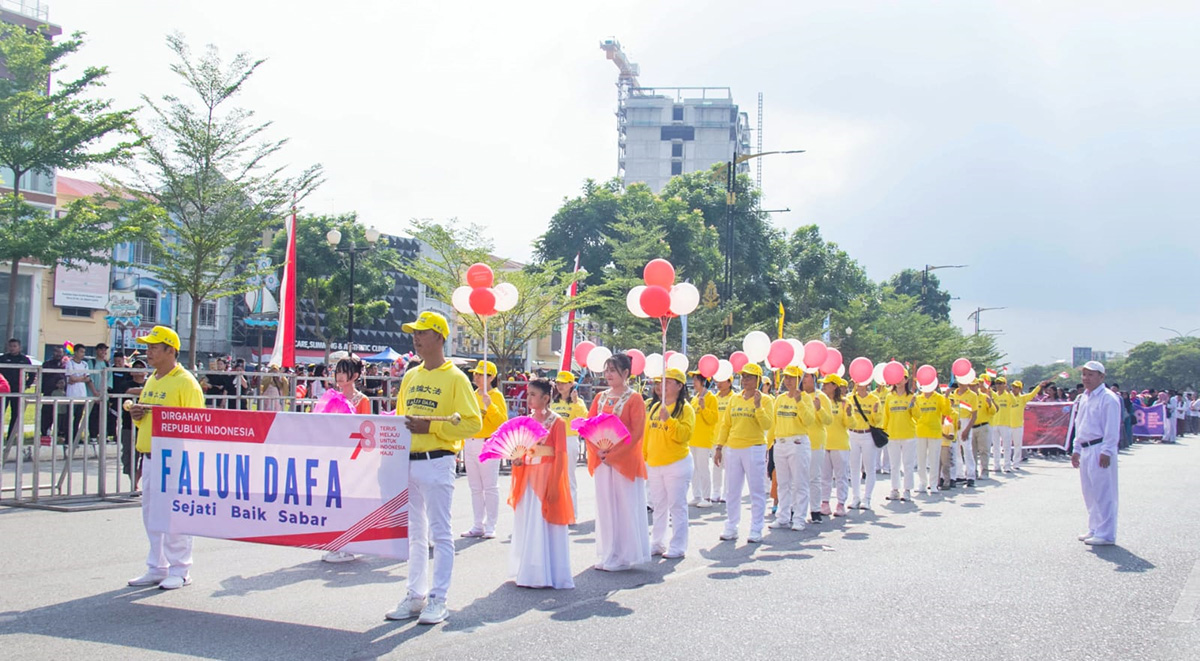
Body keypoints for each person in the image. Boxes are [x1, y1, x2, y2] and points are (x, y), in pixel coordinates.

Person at [386, 311, 483, 624]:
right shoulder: (411, 376)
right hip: (409, 464)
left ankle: (438, 599)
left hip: (438, 461)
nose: (416, 337)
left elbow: (472, 423)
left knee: (440, 533)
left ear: (440, 336)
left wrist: (434, 429)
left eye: (423, 332)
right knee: (414, 535)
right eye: (414, 332)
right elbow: (402, 420)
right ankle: (415, 595)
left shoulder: (456, 377)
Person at [126, 326, 206, 590]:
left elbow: (197, 423)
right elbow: (149, 420)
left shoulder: (185, 382)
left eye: (153, 347)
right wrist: (138, 417)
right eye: (148, 347)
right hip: (150, 456)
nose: (148, 352)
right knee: (152, 515)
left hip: (175, 458)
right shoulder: (153, 379)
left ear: (170, 350)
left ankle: (180, 569)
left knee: (175, 516)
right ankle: (157, 566)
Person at [585, 352, 651, 571]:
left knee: (625, 506)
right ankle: (607, 552)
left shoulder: (634, 399)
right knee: (605, 507)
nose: (608, 374)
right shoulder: (600, 397)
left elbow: (636, 432)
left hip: (624, 461)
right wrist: (599, 451)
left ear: (625, 373)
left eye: (613, 370)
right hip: (602, 459)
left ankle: (624, 555)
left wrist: (614, 455)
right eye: (607, 370)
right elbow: (589, 427)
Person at [508, 378, 575, 588]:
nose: (528, 398)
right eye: (528, 394)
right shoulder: (524, 421)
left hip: (546, 474)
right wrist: (518, 460)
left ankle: (546, 571)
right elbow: (520, 448)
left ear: (546, 398)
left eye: (533, 395)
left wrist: (555, 484)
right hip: (528, 475)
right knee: (528, 519)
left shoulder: (557, 423)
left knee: (543, 520)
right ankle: (528, 568)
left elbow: (561, 456)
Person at [322, 356, 375, 563]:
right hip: (333, 454)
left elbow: (365, 430)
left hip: (353, 456)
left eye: (343, 371)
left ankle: (350, 545)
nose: (339, 376)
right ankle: (336, 543)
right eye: (337, 372)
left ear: (354, 375)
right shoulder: (331, 397)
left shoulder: (362, 400)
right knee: (333, 501)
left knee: (349, 501)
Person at [714, 363, 774, 542]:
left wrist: (757, 406)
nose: (745, 380)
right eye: (743, 376)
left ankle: (756, 528)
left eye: (749, 377)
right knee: (732, 490)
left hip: (754, 448)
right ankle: (731, 526)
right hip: (733, 448)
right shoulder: (735, 399)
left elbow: (767, 425)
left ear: (758, 380)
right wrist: (719, 447)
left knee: (756, 490)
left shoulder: (765, 400)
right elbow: (726, 424)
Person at [1069, 361, 1121, 546]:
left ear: (1101, 377)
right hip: (1086, 447)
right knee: (1089, 491)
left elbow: (1112, 428)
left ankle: (1106, 533)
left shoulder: (1108, 398)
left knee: (1104, 492)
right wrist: (1076, 449)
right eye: (1084, 374)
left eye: (1091, 375)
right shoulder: (1084, 396)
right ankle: (1095, 527)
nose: (1086, 378)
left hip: (1100, 448)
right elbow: (1079, 423)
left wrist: (1107, 451)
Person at [644, 368, 695, 558]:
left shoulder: (685, 409)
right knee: (659, 506)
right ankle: (657, 542)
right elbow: (647, 435)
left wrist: (670, 421)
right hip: (655, 463)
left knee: (677, 506)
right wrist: (644, 457)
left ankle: (678, 546)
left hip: (677, 464)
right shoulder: (655, 407)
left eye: (667, 382)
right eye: (659, 382)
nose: (661, 386)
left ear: (679, 386)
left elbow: (684, 435)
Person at [462, 360, 508, 540]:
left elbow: (501, 422)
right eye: (476, 373)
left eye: (482, 374)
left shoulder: (496, 396)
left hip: (489, 443)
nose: (477, 377)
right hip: (471, 441)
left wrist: (490, 406)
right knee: (475, 487)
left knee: (490, 486)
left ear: (492, 377)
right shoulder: (471, 394)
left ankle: (491, 525)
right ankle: (477, 524)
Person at [767, 366, 817, 531]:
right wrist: (768, 446)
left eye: (792, 378)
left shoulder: (805, 398)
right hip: (780, 443)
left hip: (798, 443)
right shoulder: (780, 399)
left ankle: (799, 518)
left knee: (799, 482)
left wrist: (799, 402)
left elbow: (809, 421)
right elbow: (774, 423)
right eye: (786, 377)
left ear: (799, 380)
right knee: (783, 483)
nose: (788, 381)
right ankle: (783, 516)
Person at [549, 371, 588, 519]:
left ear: (571, 384)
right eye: (558, 383)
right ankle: (556, 511)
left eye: (564, 383)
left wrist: (576, 402)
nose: (560, 386)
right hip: (554, 441)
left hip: (570, 440)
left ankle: (571, 513)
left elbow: (583, 419)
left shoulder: (578, 402)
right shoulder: (554, 402)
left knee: (568, 477)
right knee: (554, 477)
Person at [846, 377, 883, 510]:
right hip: (853, 434)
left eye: (863, 382)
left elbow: (878, 420)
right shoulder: (850, 398)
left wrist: (874, 411)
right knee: (854, 468)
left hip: (867, 435)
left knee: (869, 468)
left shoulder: (874, 399)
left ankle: (867, 498)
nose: (860, 384)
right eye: (857, 382)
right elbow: (846, 418)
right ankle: (856, 497)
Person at [803, 371, 834, 523]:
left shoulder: (821, 397)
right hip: (799, 442)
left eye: (807, 376)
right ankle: (796, 511)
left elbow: (828, 420)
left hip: (816, 442)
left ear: (814, 379)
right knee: (798, 479)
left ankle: (815, 510)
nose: (804, 379)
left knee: (814, 477)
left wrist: (819, 409)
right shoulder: (799, 395)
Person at [820, 375, 851, 516]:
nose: (824, 386)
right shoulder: (821, 401)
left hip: (840, 444)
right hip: (824, 443)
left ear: (835, 386)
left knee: (841, 476)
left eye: (827, 384)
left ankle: (841, 503)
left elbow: (851, 424)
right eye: (823, 384)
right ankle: (825, 502)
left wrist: (849, 415)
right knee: (824, 476)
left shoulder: (845, 403)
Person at [883, 375, 917, 501]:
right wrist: (884, 431)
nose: (898, 380)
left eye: (901, 378)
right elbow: (886, 416)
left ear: (906, 380)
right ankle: (895, 489)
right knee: (894, 465)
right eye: (896, 377)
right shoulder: (889, 396)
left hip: (908, 435)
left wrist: (913, 405)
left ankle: (907, 490)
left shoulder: (911, 396)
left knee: (907, 464)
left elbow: (917, 416)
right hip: (893, 435)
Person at [687, 372, 719, 509]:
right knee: (694, 469)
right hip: (693, 439)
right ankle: (697, 495)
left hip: (704, 440)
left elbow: (713, 419)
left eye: (695, 380)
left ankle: (707, 497)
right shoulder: (695, 398)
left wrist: (704, 408)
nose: (693, 383)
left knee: (703, 468)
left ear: (702, 381)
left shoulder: (711, 398)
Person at [913, 379, 950, 495]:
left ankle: (933, 484)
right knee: (921, 459)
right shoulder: (918, 398)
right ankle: (922, 483)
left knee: (934, 459)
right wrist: (912, 403)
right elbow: (914, 415)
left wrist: (947, 398)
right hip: (920, 432)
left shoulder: (939, 398)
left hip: (935, 432)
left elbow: (946, 411)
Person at [0, 338, 33, 449]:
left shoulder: (24, 360)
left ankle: (11, 437)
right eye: (11, 346)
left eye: (15, 346)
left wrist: (27, 384)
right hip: (4, 391)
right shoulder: (3, 359)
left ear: (19, 347)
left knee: (16, 415)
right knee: (1, 414)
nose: (12, 348)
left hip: (18, 391)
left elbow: (32, 373)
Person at [710, 375, 735, 503]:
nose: (719, 383)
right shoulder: (714, 398)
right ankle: (716, 491)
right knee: (716, 466)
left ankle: (726, 492)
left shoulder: (734, 398)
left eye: (722, 380)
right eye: (717, 380)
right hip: (715, 438)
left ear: (730, 382)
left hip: (729, 439)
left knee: (729, 467)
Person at [1009, 380, 1045, 468]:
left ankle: (1016, 463)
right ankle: (1007, 463)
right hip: (1007, 425)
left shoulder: (1023, 398)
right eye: (1013, 387)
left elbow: (1032, 394)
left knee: (1018, 445)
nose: (1014, 389)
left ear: (1020, 389)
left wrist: (1039, 386)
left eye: (1016, 387)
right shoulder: (1008, 397)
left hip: (1018, 425)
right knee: (1007, 446)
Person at [990, 377, 1015, 474]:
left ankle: (1007, 465)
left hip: (1005, 424)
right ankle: (996, 465)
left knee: (1006, 446)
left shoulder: (1008, 395)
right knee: (995, 446)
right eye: (997, 383)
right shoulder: (994, 395)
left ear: (1005, 385)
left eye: (1001, 383)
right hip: (995, 423)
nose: (999, 385)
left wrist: (1009, 392)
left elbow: (1014, 403)